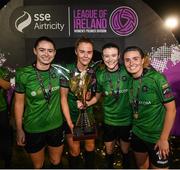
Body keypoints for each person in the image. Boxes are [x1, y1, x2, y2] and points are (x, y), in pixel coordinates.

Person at [78, 43, 132, 168]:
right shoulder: (100, 74)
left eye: (113, 55)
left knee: (125, 153)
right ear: (102, 57)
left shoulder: (128, 71)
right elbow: (97, 96)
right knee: (109, 153)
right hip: (109, 121)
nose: (110, 59)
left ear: (119, 56)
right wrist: (86, 103)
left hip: (127, 120)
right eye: (106, 56)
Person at [14, 36, 65, 169]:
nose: (46, 54)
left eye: (50, 51)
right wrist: (19, 129)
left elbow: (67, 96)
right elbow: (19, 103)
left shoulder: (59, 73)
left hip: (56, 126)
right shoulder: (23, 74)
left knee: (56, 162)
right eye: (42, 50)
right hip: (34, 128)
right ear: (35, 51)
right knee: (38, 166)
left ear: (54, 53)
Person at [122, 46, 176, 169]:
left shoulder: (157, 78)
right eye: (127, 60)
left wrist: (163, 139)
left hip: (156, 138)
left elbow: (171, 110)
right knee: (141, 167)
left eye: (135, 59)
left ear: (142, 60)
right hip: (137, 134)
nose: (131, 63)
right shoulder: (130, 80)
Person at [60, 36, 96, 169]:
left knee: (90, 147)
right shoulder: (67, 70)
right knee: (74, 150)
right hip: (72, 117)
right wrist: (69, 122)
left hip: (88, 116)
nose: (86, 56)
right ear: (76, 51)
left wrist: (88, 99)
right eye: (82, 51)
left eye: (89, 52)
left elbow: (95, 93)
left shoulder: (93, 71)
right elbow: (63, 97)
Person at [0, 67, 13, 168]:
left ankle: (7, 163)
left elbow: (7, 86)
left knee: (4, 138)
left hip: (1, 110)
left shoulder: (3, 71)